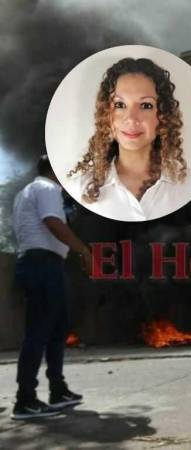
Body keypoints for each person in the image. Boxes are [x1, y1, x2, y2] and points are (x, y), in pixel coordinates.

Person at [65, 57, 191, 221]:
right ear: (106, 115)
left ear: (162, 116)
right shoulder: (78, 189)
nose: (131, 119)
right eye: (119, 105)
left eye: (146, 105)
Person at [11, 155, 92, 420]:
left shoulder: (25, 192)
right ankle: (25, 400)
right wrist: (83, 251)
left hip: (44, 264)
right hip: (41, 265)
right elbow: (53, 223)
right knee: (38, 332)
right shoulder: (46, 189)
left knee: (57, 329)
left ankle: (58, 390)